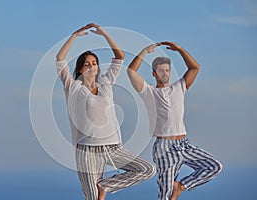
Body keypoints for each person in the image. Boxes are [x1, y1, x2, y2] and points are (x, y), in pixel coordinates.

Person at [55, 23, 155, 200]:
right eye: (87, 64)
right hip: (87, 151)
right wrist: (74, 36)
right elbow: (60, 59)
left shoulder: (106, 83)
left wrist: (104, 34)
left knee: (147, 170)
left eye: (94, 63)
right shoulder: (73, 87)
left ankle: (106, 185)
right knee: (93, 198)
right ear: (80, 69)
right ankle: (99, 189)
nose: (91, 66)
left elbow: (119, 56)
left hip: (113, 147)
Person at [127, 41, 222, 200]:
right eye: (161, 71)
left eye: (167, 70)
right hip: (165, 148)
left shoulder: (179, 87)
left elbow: (195, 67)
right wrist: (144, 51)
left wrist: (180, 50)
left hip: (183, 144)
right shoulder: (149, 92)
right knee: (165, 196)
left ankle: (181, 186)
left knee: (214, 166)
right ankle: (174, 189)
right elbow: (131, 71)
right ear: (154, 74)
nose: (165, 74)